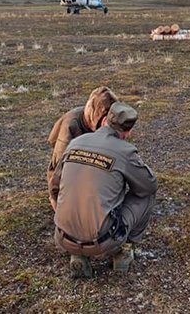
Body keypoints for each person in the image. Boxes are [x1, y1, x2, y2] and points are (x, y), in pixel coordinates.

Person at [49, 102, 157, 278]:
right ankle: (123, 250)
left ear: (104, 120)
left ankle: (77, 254)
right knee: (146, 196)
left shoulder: (76, 142)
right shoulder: (125, 151)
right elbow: (148, 186)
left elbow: (55, 186)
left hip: (62, 236)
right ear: (129, 133)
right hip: (103, 241)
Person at [46, 86, 119, 210]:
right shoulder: (70, 127)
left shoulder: (97, 122)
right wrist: (56, 199)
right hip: (66, 172)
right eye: (105, 120)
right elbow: (60, 167)